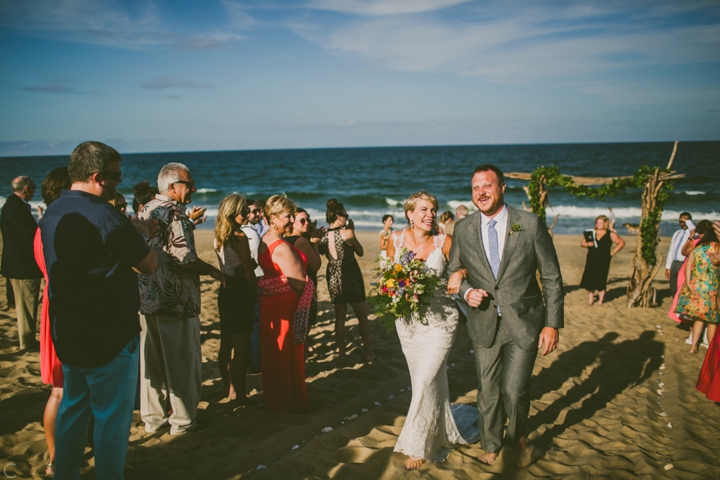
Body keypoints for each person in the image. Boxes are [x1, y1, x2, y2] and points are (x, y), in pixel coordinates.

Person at [38, 141, 157, 479]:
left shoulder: (54, 211)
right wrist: (142, 234)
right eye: (116, 178)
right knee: (111, 422)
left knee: (74, 412)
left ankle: (65, 473)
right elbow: (147, 265)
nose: (119, 184)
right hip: (109, 333)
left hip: (69, 330)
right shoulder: (105, 216)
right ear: (97, 176)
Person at [447, 164, 564, 465]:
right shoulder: (464, 228)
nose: (481, 192)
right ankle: (491, 442)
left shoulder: (530, 223)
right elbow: (454, 271)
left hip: (524, 321)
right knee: (487, 390)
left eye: (487, 185)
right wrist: (465, 291)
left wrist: (551, 324)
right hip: (484, 321)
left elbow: (551, 276)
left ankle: (517, 435)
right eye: (475, 187)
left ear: (502, 188)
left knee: (513, 391)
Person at [387, 191, 478, 470]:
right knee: (427, 381)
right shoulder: (396, 240)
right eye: (423, 210)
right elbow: (390, 277)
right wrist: (393, 292)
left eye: (433, 210)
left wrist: (459, 273)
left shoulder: (445, 241)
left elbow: (468, 268)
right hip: (409, 323)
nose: (430, 215)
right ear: (410, 214)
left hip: (441, 321)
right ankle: (437, 431)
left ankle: (420, 445)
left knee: (426, 379)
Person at [138, 162, 225, 435]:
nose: (195, 188)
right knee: (181, 364)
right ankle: (183, 422)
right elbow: (184, 259)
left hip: (147, 298)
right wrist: (213, 271)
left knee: (151, 365)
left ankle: (153, 421)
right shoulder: (174, 213)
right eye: (189, 184)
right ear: (173, 187)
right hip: (175, 301)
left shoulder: (145, 208)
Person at [257, 195, 313, 413]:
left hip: (271, 304)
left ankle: (277, 399)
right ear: (273, 218)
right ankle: (290, 402)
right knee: (287, 353)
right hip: (286, 306)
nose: (291, 220)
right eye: (287, 216)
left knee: (275, 354)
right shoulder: (281, 247)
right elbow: (299, 282)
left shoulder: (265, 240)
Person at [33, 166, 71, 476]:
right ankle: (55, 457)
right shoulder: (56, 227)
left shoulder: (43, 226)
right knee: (60, 389)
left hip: (53, 301)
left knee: (61, 389)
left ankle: (56, 455)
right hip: (64, 304)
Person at [214, 194, 257, 403]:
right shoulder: (239, 237)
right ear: (234, 213)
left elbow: (227, 266)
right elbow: (249, 273)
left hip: (226, 290)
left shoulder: (219, 235)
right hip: (240, 291)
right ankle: (241, 396)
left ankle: (228, 388)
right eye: (243, 211)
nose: (246, 215)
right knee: (241, 349)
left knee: (226, 343)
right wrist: (255, 290)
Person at [320, 198, 375, 360]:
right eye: (345, 215)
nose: (347, 218)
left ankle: (342, 353)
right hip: (350, 273)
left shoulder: (323, 235)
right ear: (338, 217)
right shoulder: (348, 233)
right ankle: (368, 353)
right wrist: (353, 232)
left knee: (340, 317)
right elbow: (360, 252)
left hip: (333, 275)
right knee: (362, 316)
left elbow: (324, 252)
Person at [1, 175, 42, 350]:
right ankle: (27, 341)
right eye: (32, 186)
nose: (34, 189)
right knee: (26, 304)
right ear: (25, 189)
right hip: (23, 266)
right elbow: (27, 237)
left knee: (25, 304)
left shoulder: (11, 205)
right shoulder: (16, 207)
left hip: (17, 264)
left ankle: (28, 338)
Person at [675, 220, 719, 354]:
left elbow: (688, 265)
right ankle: (711, 350)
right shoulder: (717, 247)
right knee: (712, 321)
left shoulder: (698, 248)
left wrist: (688, 282)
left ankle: (693, 346)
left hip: (697, 286)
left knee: (699, 318)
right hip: (712, 287)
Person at [285, 208, 324, 348]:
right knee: (303, 330)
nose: (306, 222)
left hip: (292, 288)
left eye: (307, 219)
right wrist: (315, 245)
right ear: (292, 223)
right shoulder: (301, 241)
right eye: (302, 220)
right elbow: (315, 265)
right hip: (306, 289)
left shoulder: (286, 239)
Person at [579, 215, 625, 306]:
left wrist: (613, 252)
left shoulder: (610, 234)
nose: (598, 224)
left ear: (605, 223)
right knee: (591, 278)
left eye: (600, 222)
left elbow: (621, 243)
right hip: (591, 258)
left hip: (604, 259)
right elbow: (582, 243)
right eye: (597, 222)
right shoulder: (591, 233)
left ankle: (600, 301)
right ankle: (590, 300)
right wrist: (588, 244)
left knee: (601, 277)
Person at [242, 199, 264, 373]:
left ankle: (249, 360)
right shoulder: (251, 233)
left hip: (242, 280)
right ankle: (256, 362)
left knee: (249, 322)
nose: (257, 214)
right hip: (255, 278)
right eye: (253, 211)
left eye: (258, 211)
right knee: (256, 322)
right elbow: (257, 261)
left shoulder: (238, 231)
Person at [665, 212, 693, 298]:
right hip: (675, 263)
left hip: (685, 263)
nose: (683, 223)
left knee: (683, 286)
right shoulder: (677, 233)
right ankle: (675, 305)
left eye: (686, 220)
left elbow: (694, 230)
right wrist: (668, 267)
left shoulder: (693, 233)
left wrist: (687, 222)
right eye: (681, 221)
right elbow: (671, 250)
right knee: (673, 286)